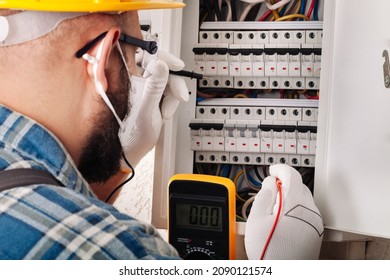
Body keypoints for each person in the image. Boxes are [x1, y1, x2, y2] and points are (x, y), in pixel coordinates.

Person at [0, 0, 187, 259]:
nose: (135, 73)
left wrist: (116, 167)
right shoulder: (131, 253)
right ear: (103, 57)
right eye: (135, 56)